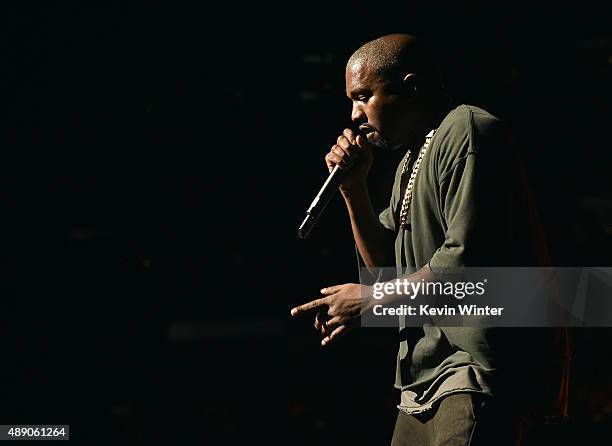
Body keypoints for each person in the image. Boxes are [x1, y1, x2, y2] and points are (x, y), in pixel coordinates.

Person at [290, 34, 569, 445]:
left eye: (364, 95)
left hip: (474, 370)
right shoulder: (409, 161)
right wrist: (354, 189)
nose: (354, 115)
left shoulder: (467, 130)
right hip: (421, 384)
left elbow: (467, 265)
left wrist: (370, 300)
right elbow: (382, 274)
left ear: (412, 87)